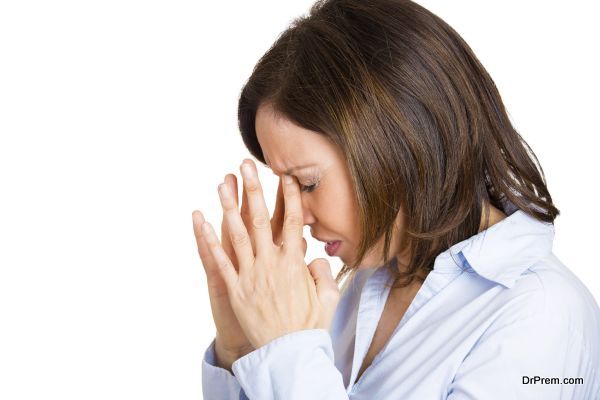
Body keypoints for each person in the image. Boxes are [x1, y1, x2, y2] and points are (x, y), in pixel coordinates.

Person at [192, 0, 600, 398]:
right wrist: (242, 348)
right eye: (286, 186)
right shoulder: (365, 284)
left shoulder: (544, 316)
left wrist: (287, 350)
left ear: (400, 146)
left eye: (309, 184)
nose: (298, 217)